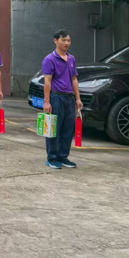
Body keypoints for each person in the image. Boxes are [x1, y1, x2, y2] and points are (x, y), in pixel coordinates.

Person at [42, 30, 83, 170]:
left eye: (68, 40)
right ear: (56, 41)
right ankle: (52, 158)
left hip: (69, 98)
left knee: (68, 128)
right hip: (56, 97)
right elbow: (47, 82)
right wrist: (47, 102)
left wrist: (78, 98)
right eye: (63, 40)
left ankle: (63, 156)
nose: (66, 43)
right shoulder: (50, 59)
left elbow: (74, 79)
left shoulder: (71, 59)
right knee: (54, 128)